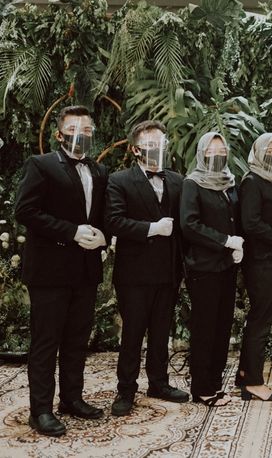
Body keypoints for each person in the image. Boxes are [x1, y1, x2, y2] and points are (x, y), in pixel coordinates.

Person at [15, 105, 108, 436]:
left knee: (76, 340)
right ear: (59, 134)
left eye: (86, 128)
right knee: (46, 342)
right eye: (73, 128)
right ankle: (40, 410)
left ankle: (72, 399)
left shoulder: (99, 171)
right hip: (49, 272)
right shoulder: (41, 166)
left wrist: (102, 237)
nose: (80, 133)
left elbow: (103, 217)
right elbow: (25, 210)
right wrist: (70, 231)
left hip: (85, 271)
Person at [105, 120, 189, 416]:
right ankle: (125, 390)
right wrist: (151, 228)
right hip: (134, 274)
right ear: (135, 149)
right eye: (151, 145)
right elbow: (113, 221)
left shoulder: (178, 181)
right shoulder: (119, 180)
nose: (158, 149)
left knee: (160, 332)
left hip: (167, 272)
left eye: (162, 144)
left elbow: (186, 225)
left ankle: (159, 383)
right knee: (133, 333)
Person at [180, 131, 242, 407]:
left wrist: (238, 245)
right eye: (211, 151)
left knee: (222, 326)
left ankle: (216, 382)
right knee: (205, 327)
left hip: (227, 266)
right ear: (202, 153)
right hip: (203, 266)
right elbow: (189, 224)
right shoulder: (193, 183)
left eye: (222, 150)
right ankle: (201, 387)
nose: (217, 155)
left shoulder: (229, 183)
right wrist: (224, 241)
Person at [234, 133, 272, 401]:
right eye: (270, 150)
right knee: (260, 319)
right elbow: (250, 224)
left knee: (260, 317)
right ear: (259, 152)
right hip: (261, 262)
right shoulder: (252, 182)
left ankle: (245, 373)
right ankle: (254, 382)